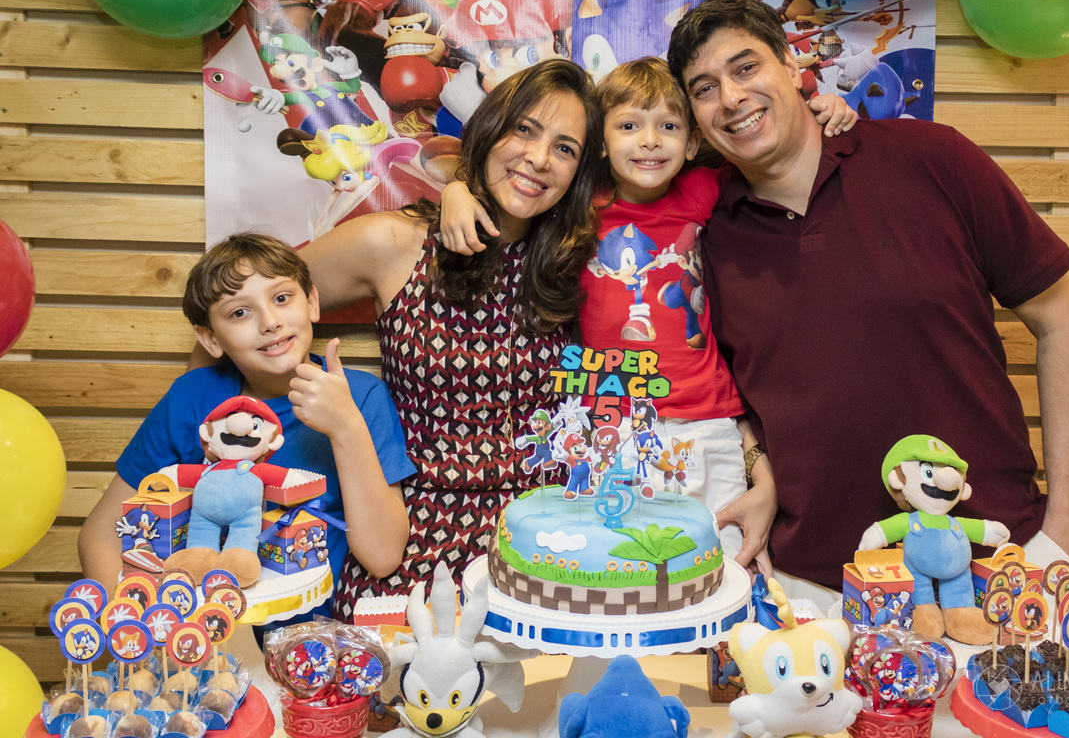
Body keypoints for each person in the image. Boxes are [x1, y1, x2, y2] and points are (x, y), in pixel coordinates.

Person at [664, 0, 1069, 599]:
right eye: (704, 88)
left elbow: (1062, 319)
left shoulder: (932, 160)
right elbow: (731, 396)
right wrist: (762, 476)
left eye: (745, 68)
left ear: (792, 67)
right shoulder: (705, 240)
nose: (731, 98)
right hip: (813, 590)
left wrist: (1067, 526)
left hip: (994, 567)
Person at [438, 57, 857, 572]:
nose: (651, 141)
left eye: (669, 126)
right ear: (600, 142)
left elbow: (775, 151)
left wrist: (823, 110)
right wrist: (455, 190)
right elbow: (507, 177)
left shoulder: (702, 189)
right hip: (611, 425)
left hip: (709, 421)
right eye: (630, 126)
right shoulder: (578, 202)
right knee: (621, 571)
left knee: (726, 571)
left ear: (693, 141)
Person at [297, 58, 606, 617]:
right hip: (415, 547)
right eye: (524, 130)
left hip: (548, 547)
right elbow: (252, 299)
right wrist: (210, 405)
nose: (538, 158)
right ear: (487, 134)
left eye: (565, 148)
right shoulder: (396, 243)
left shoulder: (578, 263)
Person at [79, 233, 415, 619]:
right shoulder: (191, 398)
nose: (270, 322)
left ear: (312, 302)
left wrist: (346, 427)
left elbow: (384, 556)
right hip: (204, 648)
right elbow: (100, 534)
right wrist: (133, 631)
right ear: (210, 338)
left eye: (282, 298)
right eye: (240, 312)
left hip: (314, 648)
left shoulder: (360, 396)